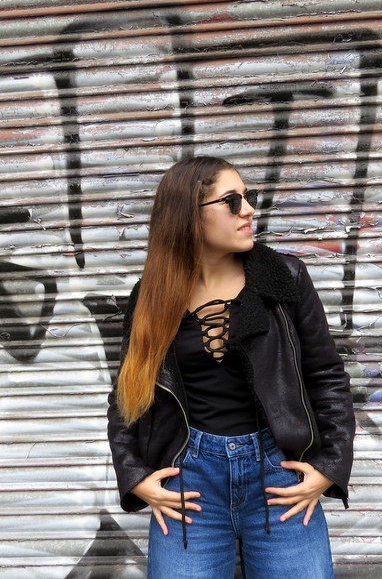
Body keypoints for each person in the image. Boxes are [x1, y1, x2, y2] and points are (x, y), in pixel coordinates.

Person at [107, 156, 355, 578]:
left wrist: (328, 467)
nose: (249, 210)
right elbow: (128, 394)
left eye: (248, 197)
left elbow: (326, 376)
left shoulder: (284, 277)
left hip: (279, 478)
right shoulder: (152, 296)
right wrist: (134, 476)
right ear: (189, 215)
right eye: (233, 201)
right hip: (189, 485)